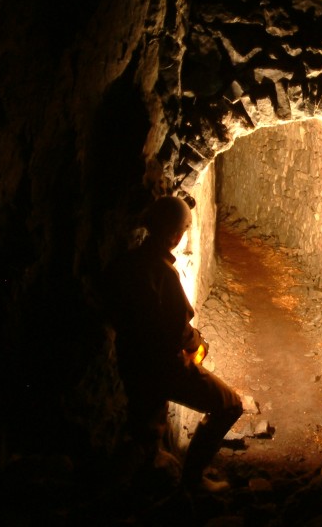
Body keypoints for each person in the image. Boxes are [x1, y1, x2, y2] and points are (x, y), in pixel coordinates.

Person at [104, 195, 243, 493]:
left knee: (148, 430)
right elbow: (179, 329)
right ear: (177, 235)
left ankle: (149, 484)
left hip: (131, 361)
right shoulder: (163, 273)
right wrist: (198, 344)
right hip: (163, 365)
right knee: (229, 405)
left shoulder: (126, 263)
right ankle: (191, 481)